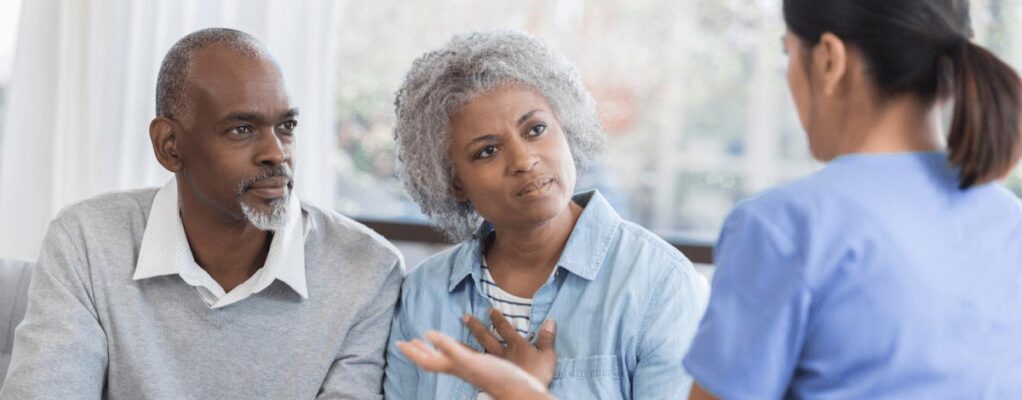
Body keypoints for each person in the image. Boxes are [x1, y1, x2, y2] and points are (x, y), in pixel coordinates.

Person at [396, 0, 1022, 399]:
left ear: (827, 60)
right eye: (484, 151)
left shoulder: (786, 227)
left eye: (787, 56)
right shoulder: (1006, 220)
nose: (523, 160)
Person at [0, 28, 403, 399]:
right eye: (242, 129)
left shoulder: (368, 270)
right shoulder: (86, 241)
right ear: (169, 145)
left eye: (286, 126)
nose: (276, 154)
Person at [383, 30, 709, 399]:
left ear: (566, 127)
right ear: (453, 181)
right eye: (487, 151)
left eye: (536, 129)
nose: (524, 161)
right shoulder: (423, 294)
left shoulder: (658, 283)